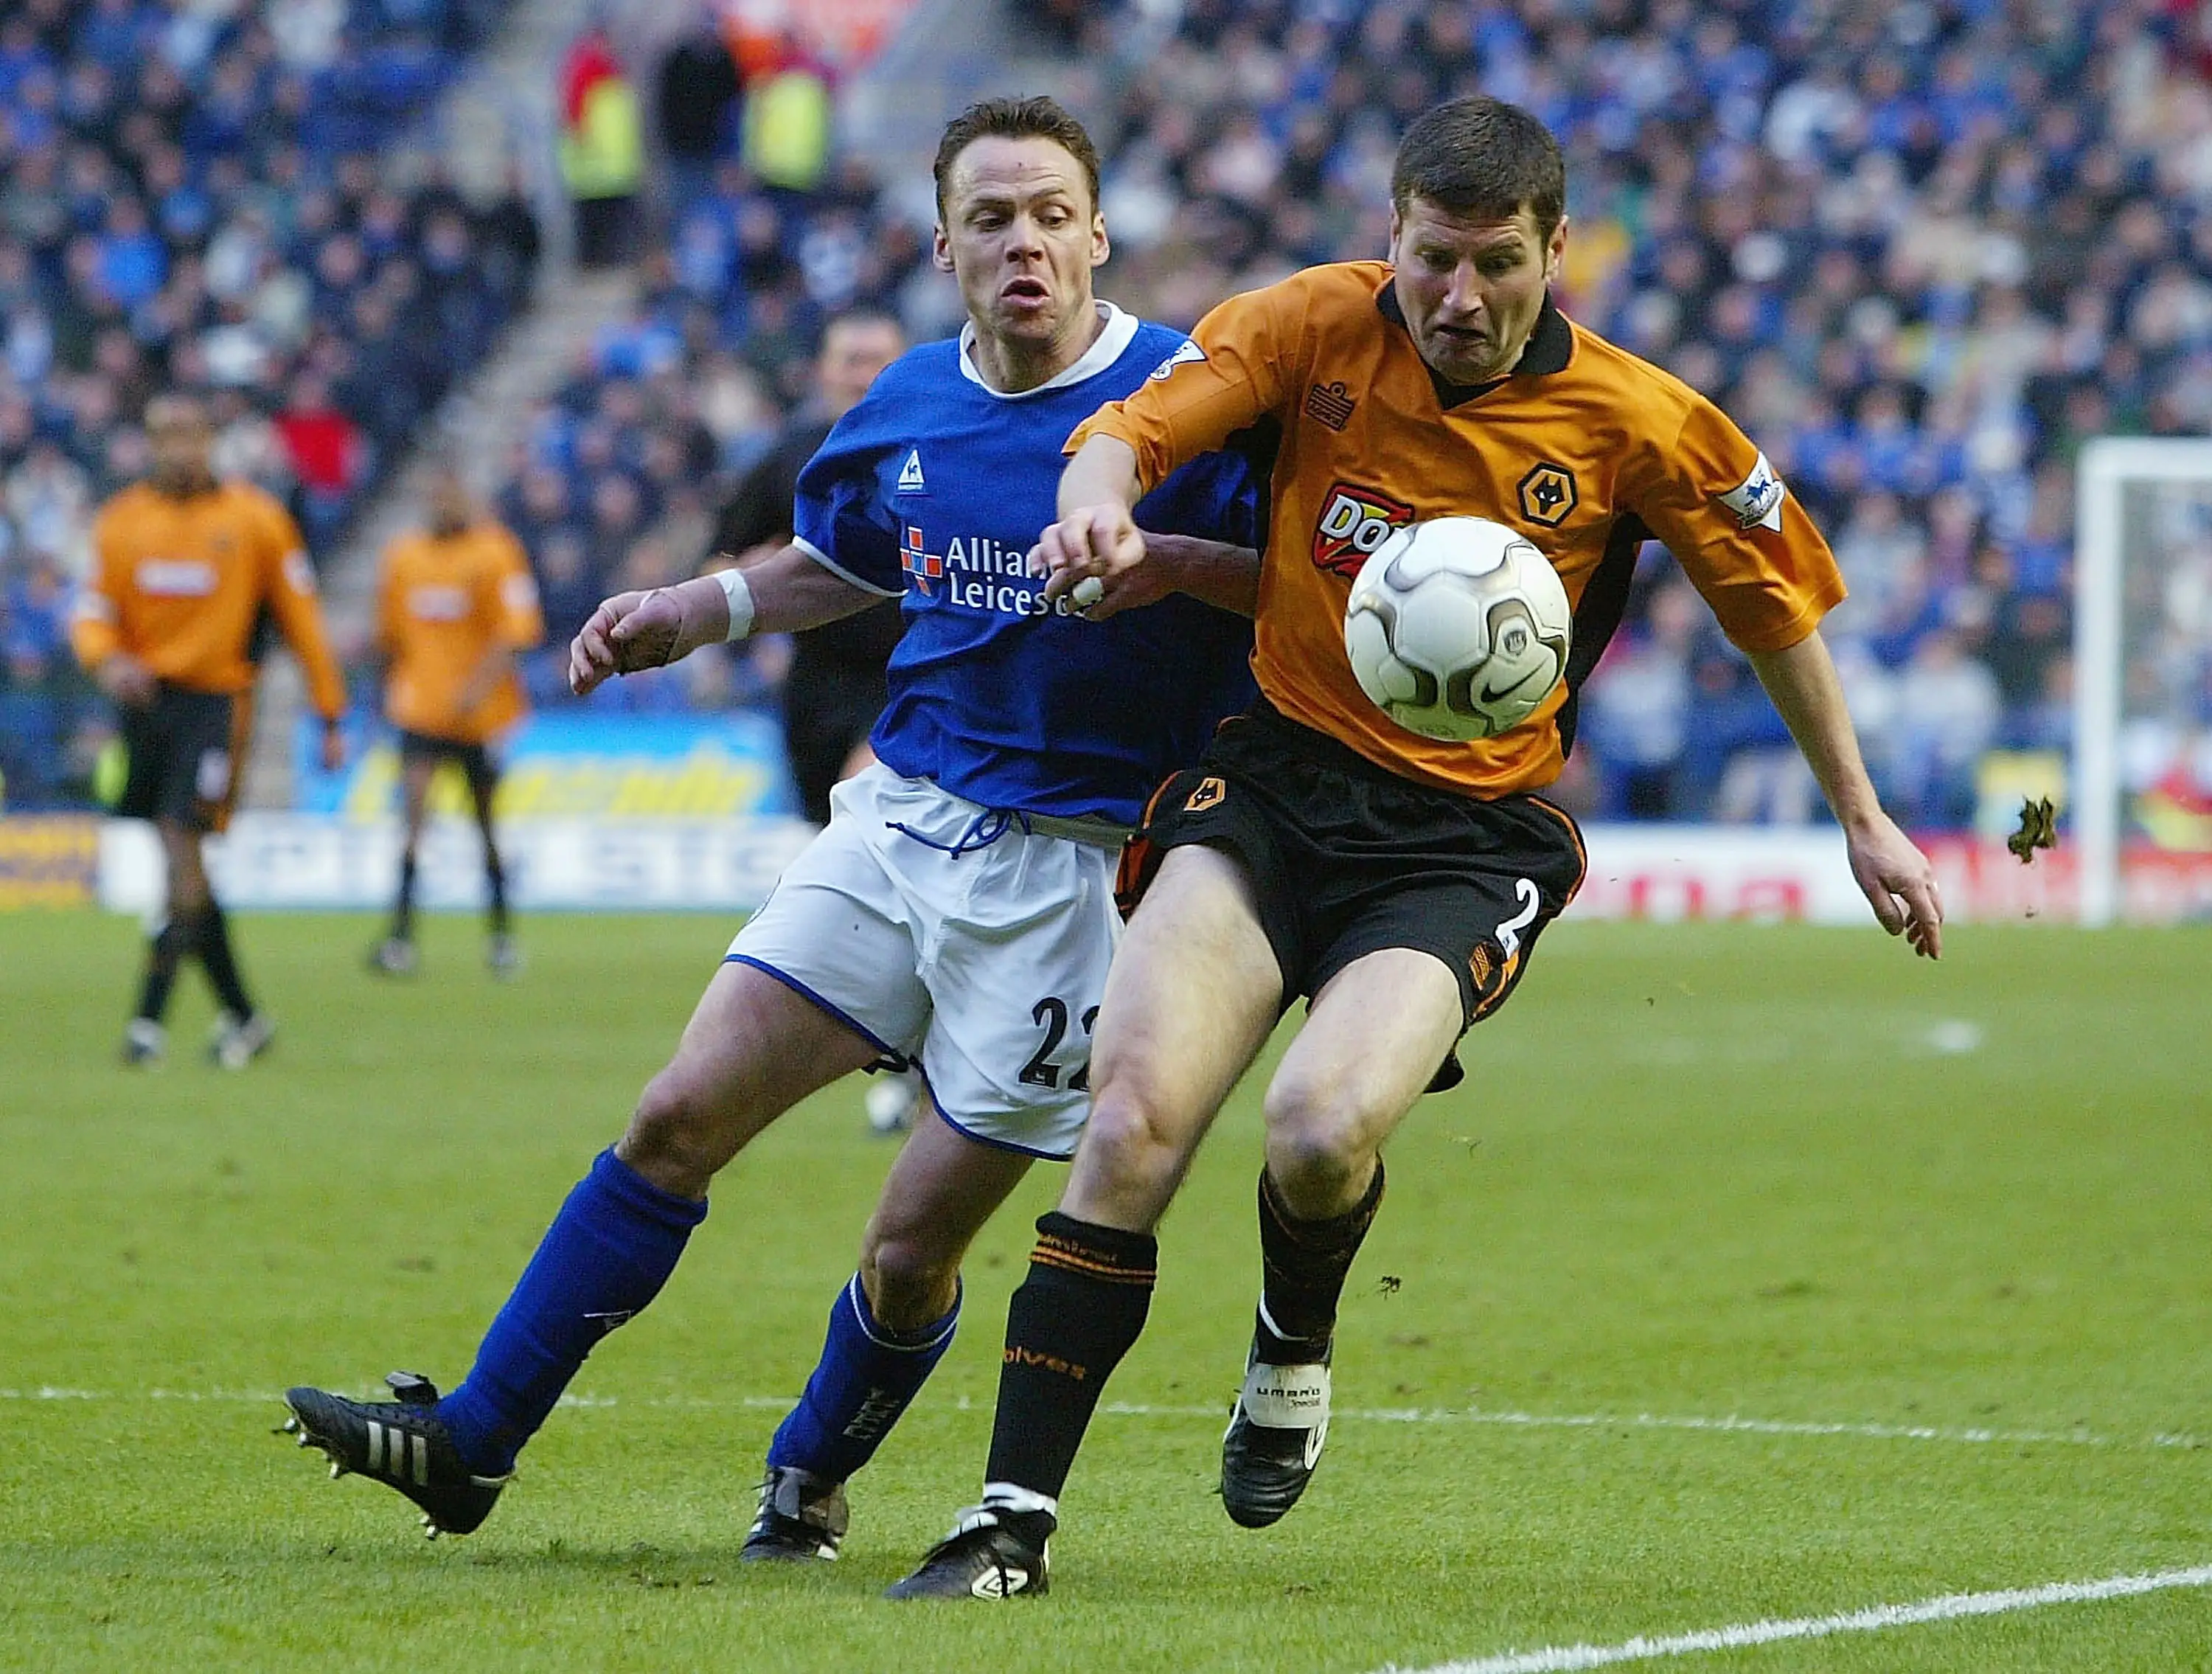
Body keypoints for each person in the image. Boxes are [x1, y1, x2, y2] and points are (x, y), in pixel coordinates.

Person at [888, 94, 1945, 1601]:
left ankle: (1293, 1340)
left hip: (1463, 837)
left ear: (1556, 251)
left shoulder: (1640, 420)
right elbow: (1127, 430)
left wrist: (1860, 813)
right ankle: (1007, 1525)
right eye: (1432, 258)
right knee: (1128, 1122)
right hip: (1269, 785)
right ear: (1391, 234)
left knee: (1320, 1131)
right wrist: (1098, 511)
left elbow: (1773, 611)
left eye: (1495, 264)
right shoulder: (1311, 327)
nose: (1457, 296)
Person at [277, 97, 1265, 1564]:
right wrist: (696, 609)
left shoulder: (1190, 404)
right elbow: (844, 560)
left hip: (1077, 880)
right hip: (901, 820)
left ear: (1100, 235)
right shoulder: (912, 401)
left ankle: (807, 1477)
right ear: (942, 246)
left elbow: (1298, 582)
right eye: (992, 219)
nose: (1026, 244)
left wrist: (1172, 562)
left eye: (1053, 216)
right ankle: (471, 1441)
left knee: (910, 1248)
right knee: (675, 1115)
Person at [69, 392, 347, 1069]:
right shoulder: (123, 521)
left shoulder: (256, 519)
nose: (179, 450)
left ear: (211, 442)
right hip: (148, 706)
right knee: (181, 862)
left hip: (217, 705)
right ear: (149, 444)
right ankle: (243, 1019)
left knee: (181, 842)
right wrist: (108, 661)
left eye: (190, 435)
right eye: (166, 436)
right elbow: (93, 613)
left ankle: (148, 1022)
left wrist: (330, 712)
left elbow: (303, 620)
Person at [707, 305, 915, 1131]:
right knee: (847, 848)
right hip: (817, 690)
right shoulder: (791, 457)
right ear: (825, 371)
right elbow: (722, 558)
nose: (863, 373)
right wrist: (758, 585)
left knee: (867, 824)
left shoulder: (935, 441)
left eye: (878, 358)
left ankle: (890, 1044)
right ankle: (911, 1031)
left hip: (912, 684)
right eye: (850, 358)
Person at [366, 466, 544, 978]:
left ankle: (501, 936)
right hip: (420, 711)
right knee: (412, 820)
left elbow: (517, 633)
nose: (443, 506)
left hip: (479, 717)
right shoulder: (404, 556)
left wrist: (477, 689)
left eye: (451, 496)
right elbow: (389, 637)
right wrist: (383, 697)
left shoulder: (496, 552)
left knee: (486, 826)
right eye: (436, 497)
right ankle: (400, 938)